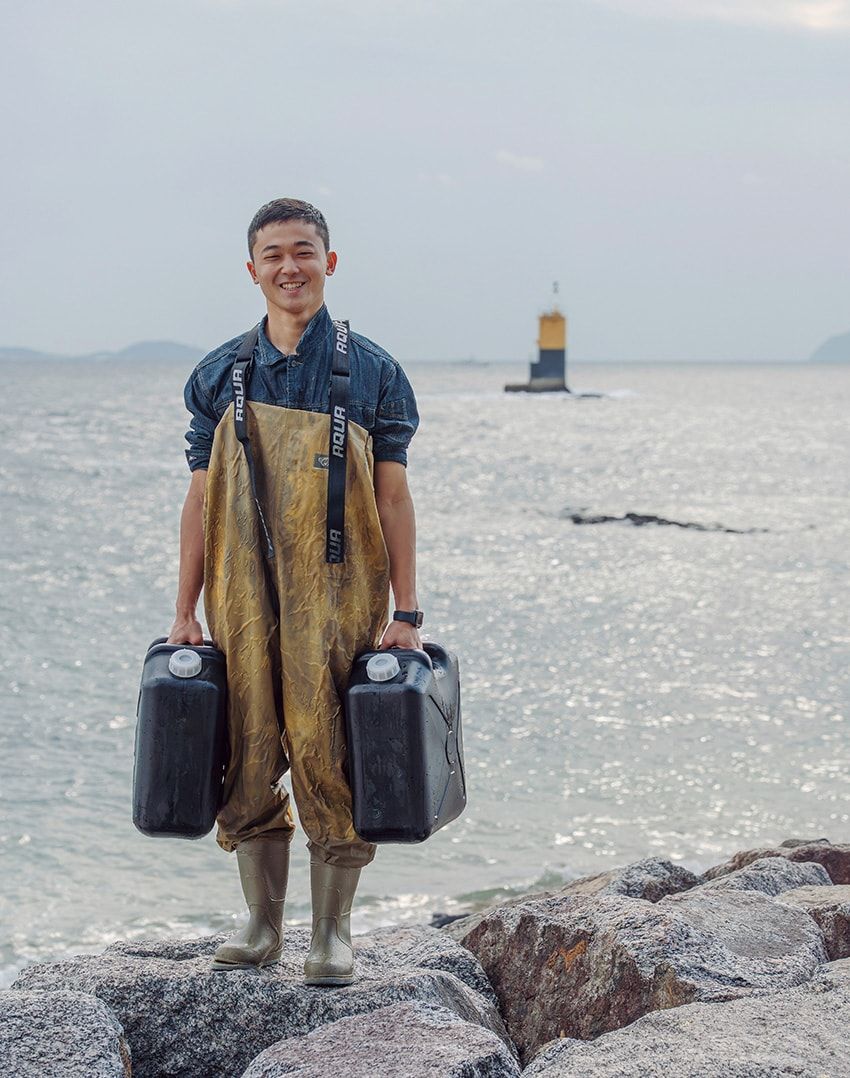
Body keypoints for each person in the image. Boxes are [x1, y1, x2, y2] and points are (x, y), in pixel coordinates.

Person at [167, 197, 423, 984]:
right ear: (253, 271)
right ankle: (260, 924)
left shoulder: (373, 370)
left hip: (341, 590)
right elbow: (201, 500)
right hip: (241, 592)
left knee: (327, 748)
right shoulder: (218, 375)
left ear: (329, 263)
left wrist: (407, 612)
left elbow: (391, 498)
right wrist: (183, 610)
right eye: (274, 254)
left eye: (304, 251)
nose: (290, 267)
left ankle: (333, 935)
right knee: (245, 750)